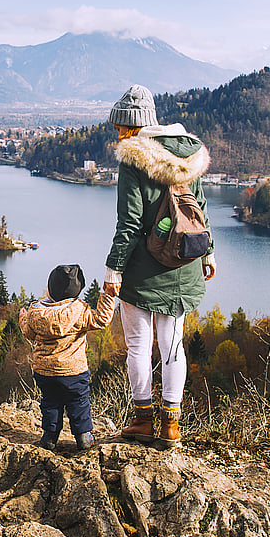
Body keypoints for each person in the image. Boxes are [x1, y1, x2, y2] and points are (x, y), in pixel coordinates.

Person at [103, 84, 216, 449]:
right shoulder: (187, 154)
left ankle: (142, 420)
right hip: (184, 261)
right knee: (172, 347)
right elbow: (197, 207)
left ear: (135, 127)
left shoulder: (133, 159)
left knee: (138, 345)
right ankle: (171, 426)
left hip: (142, 268)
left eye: (122, 127)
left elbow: (130, 224)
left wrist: (113, 269)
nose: (118, 134)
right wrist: (209, 251)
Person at [19, 263, 119, 451]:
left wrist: (23, 317)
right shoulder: (80, 312)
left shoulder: (36, 313)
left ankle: (49, 438)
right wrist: (108, 294)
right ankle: (83, 437)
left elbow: (29, 333)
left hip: (45, 371)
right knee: (78, 402)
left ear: (49, 290)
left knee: (50, 403)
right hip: (74, 371)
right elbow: (102, 319)